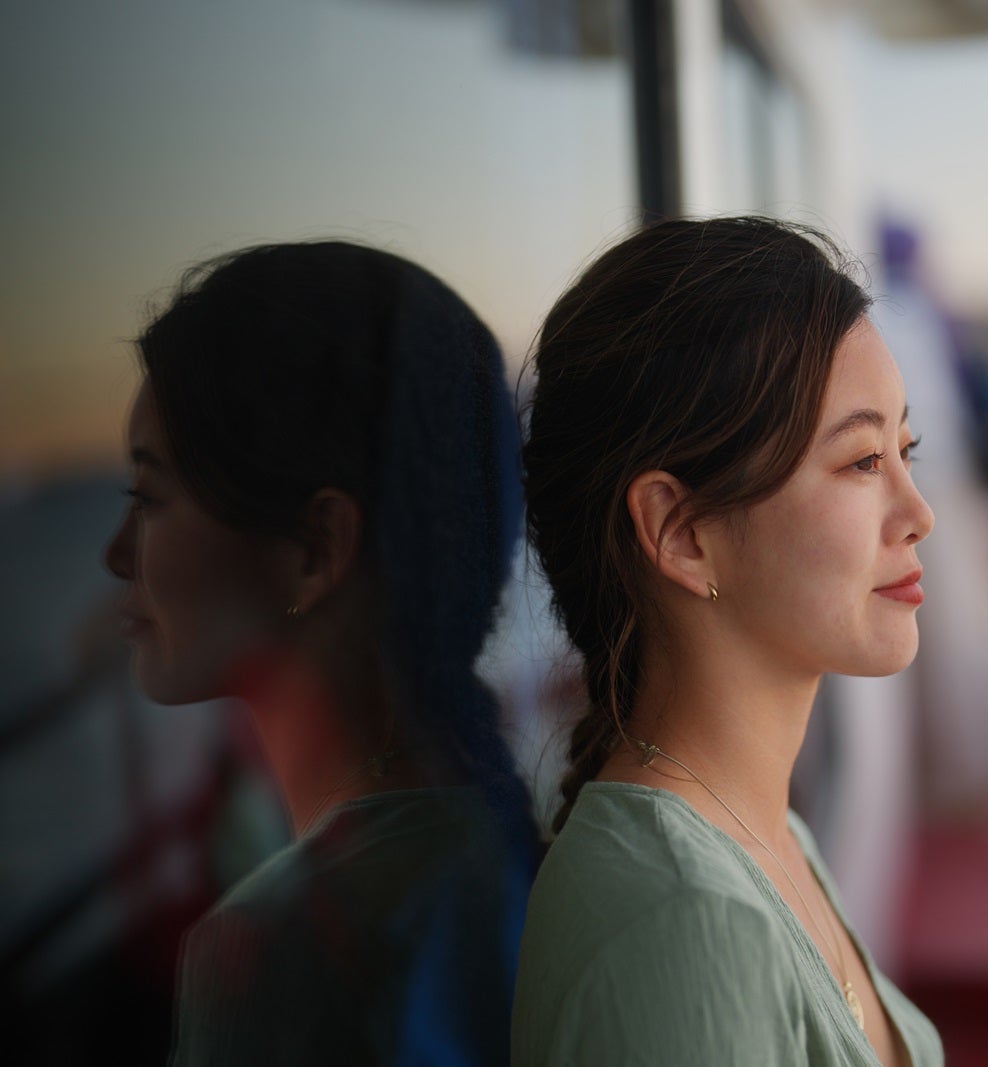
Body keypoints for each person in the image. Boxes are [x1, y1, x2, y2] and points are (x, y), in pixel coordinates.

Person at [511, 216, 944, 1066]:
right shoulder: (681, 924)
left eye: (907, 448)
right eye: (862, 462)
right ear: (681, 532)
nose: (919, 512)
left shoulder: (771, 836)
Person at [104, 241, 540, 1066]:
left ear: (316, 547)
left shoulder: (270, 951)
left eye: (150, 498)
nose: (117, 555)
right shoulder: (494, 851)